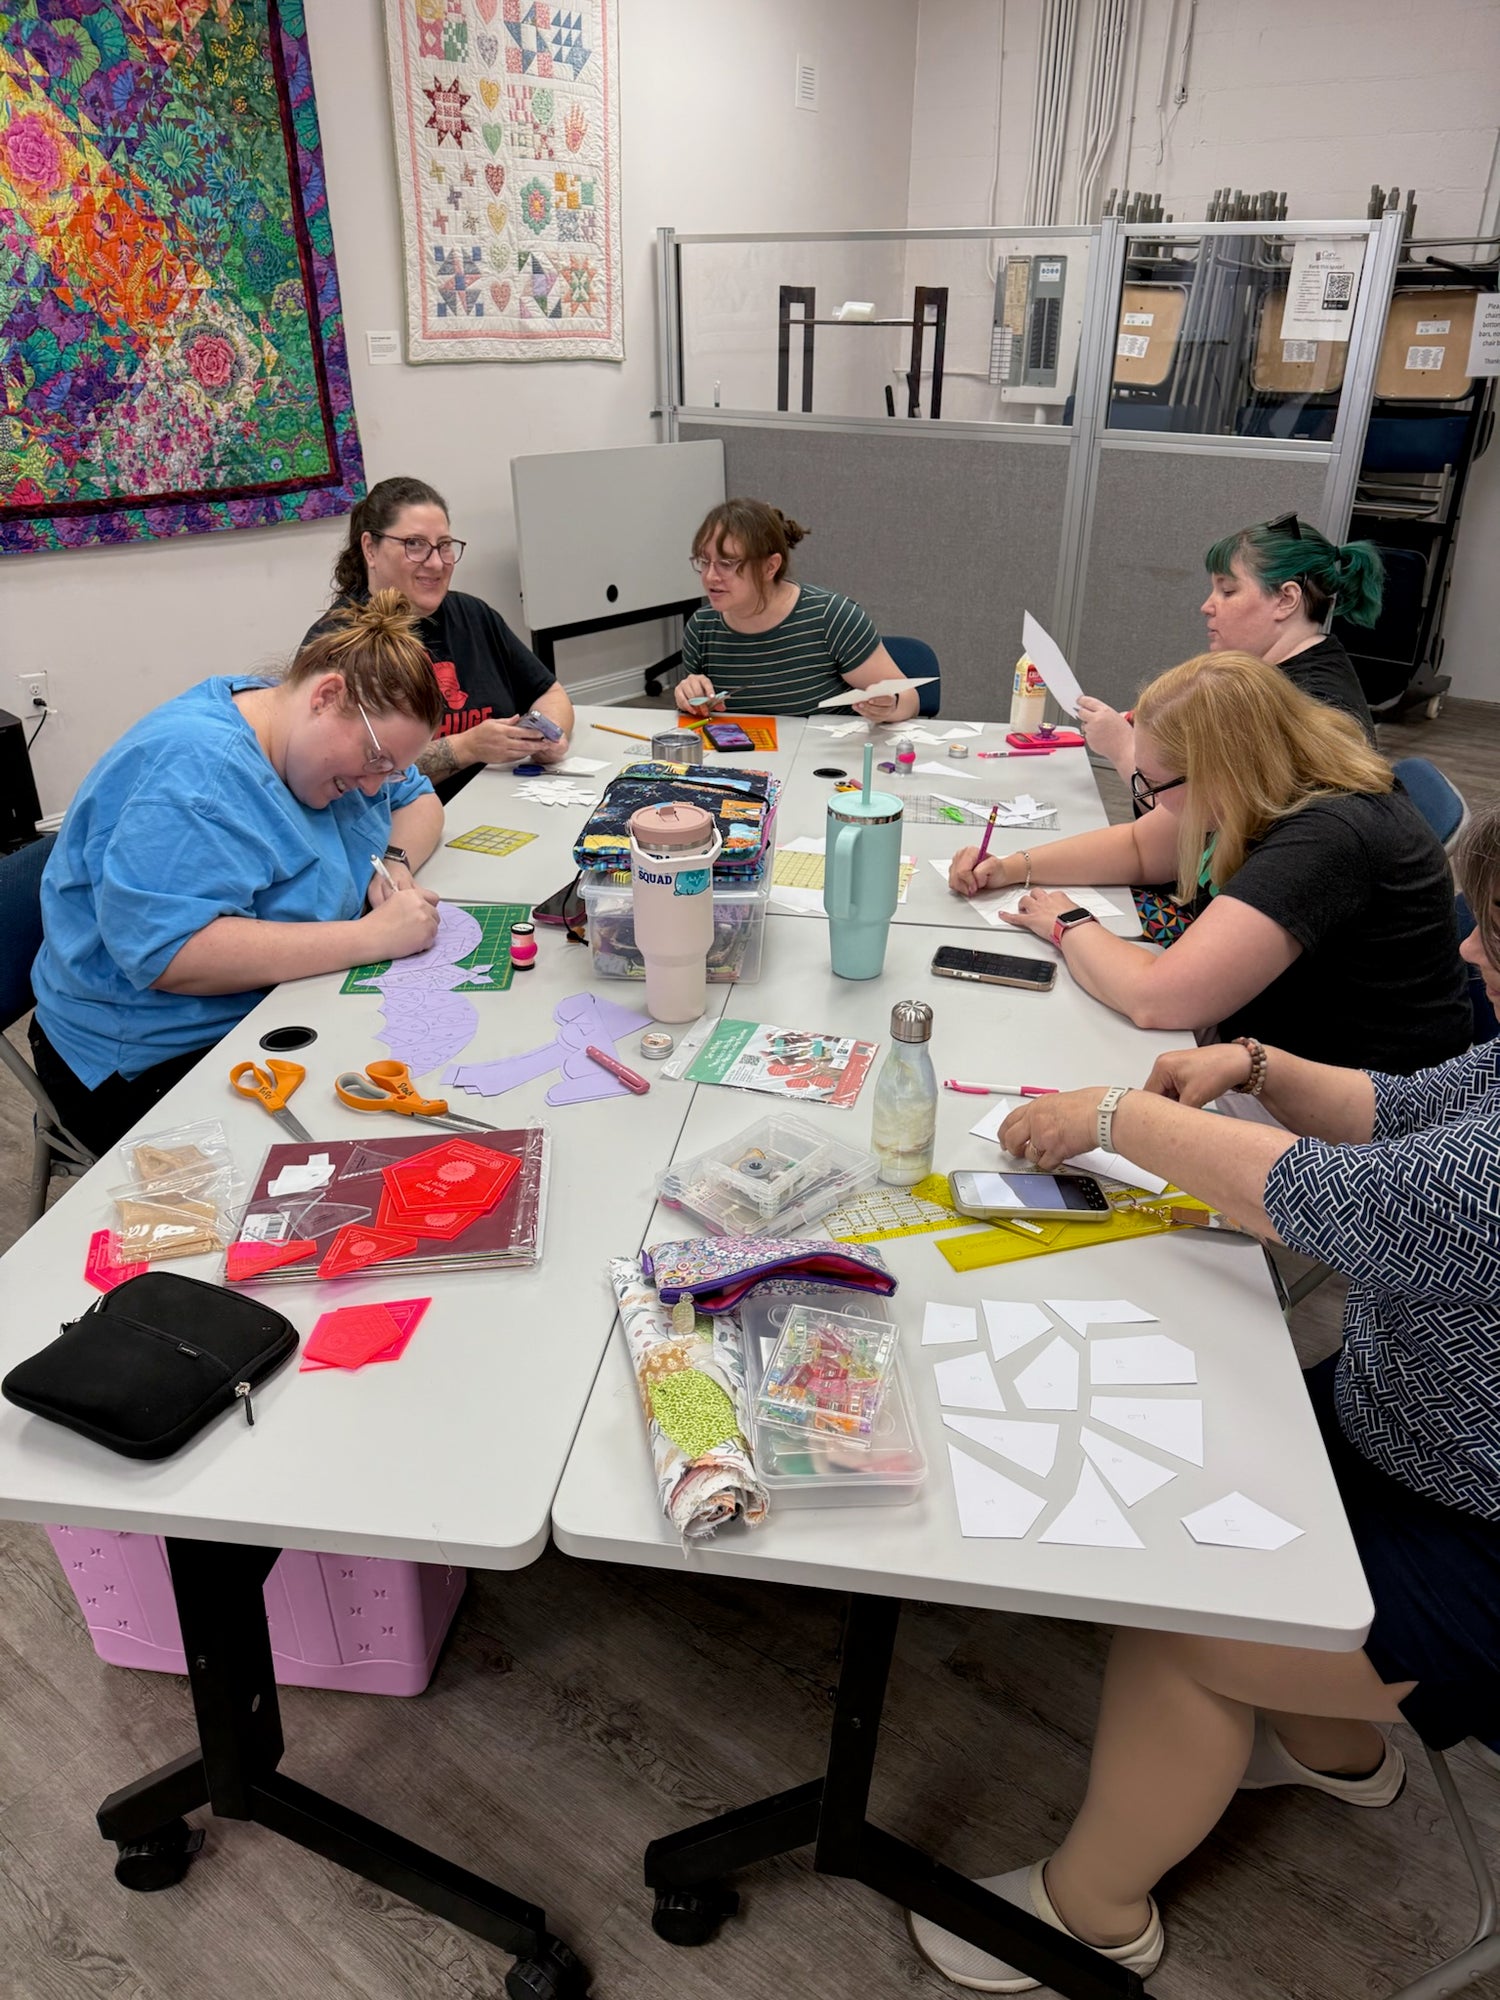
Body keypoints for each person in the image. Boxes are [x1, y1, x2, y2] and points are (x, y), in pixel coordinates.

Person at [907, 806, 1500, 1994]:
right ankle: (1334, 1744)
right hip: (1403, 1427)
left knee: (1176, 1607)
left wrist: (1120, 1116)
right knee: (1208, 1454)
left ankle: (1091, 1911)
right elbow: (1406, 1113)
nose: (1471, 949)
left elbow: (1340, 1201)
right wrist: (1258, 1064)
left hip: (1473, 1534)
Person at [30, 593, 446, 1157]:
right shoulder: (199, 777)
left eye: (390, 769)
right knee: (353, 1166)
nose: (376, 786)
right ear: (326, 697)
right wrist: (372, 937)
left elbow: (419, 802)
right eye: (376, 762)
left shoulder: (304, 728)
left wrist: (392, 863)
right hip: (153, 1053)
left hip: (277, 1003)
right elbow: (171, 955)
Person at [946, 652, 1469, 1074]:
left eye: (1155, 783)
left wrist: (1067, 923)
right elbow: (1140, 848)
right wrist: (1013, 866)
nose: (1148, 796)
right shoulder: (1275, 777)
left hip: (1348, 1105)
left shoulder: (1328, 837)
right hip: (1272, 1045)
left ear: (1223, 771)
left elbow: (1157, 999)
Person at [316, 475, 575, 803]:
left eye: (444, 545)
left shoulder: (473, 615)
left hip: (506, 803)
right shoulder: (338, 643)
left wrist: (549, 734)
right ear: (370, 549)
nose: (437, 563)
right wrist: (467, 747)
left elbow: (548, 691)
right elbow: (346, 776)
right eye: (415, 544)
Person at [1077, 512, 1382, 781]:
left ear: (1285, 599)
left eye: (1227, 591)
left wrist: (1122, 748)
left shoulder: (1302, 707)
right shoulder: (1304, 669)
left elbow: (1192, 818)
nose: (1206, 606)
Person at [673, 499, 921, 722]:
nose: (710, 576)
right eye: (704, 561)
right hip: (743, 754)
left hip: (823, 755)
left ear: (770, 567)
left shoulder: (830, 617)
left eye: (727, 563)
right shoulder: (702, 627)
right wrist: (689, 697)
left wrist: (890, 706)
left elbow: (909, 699)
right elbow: (701, 715)